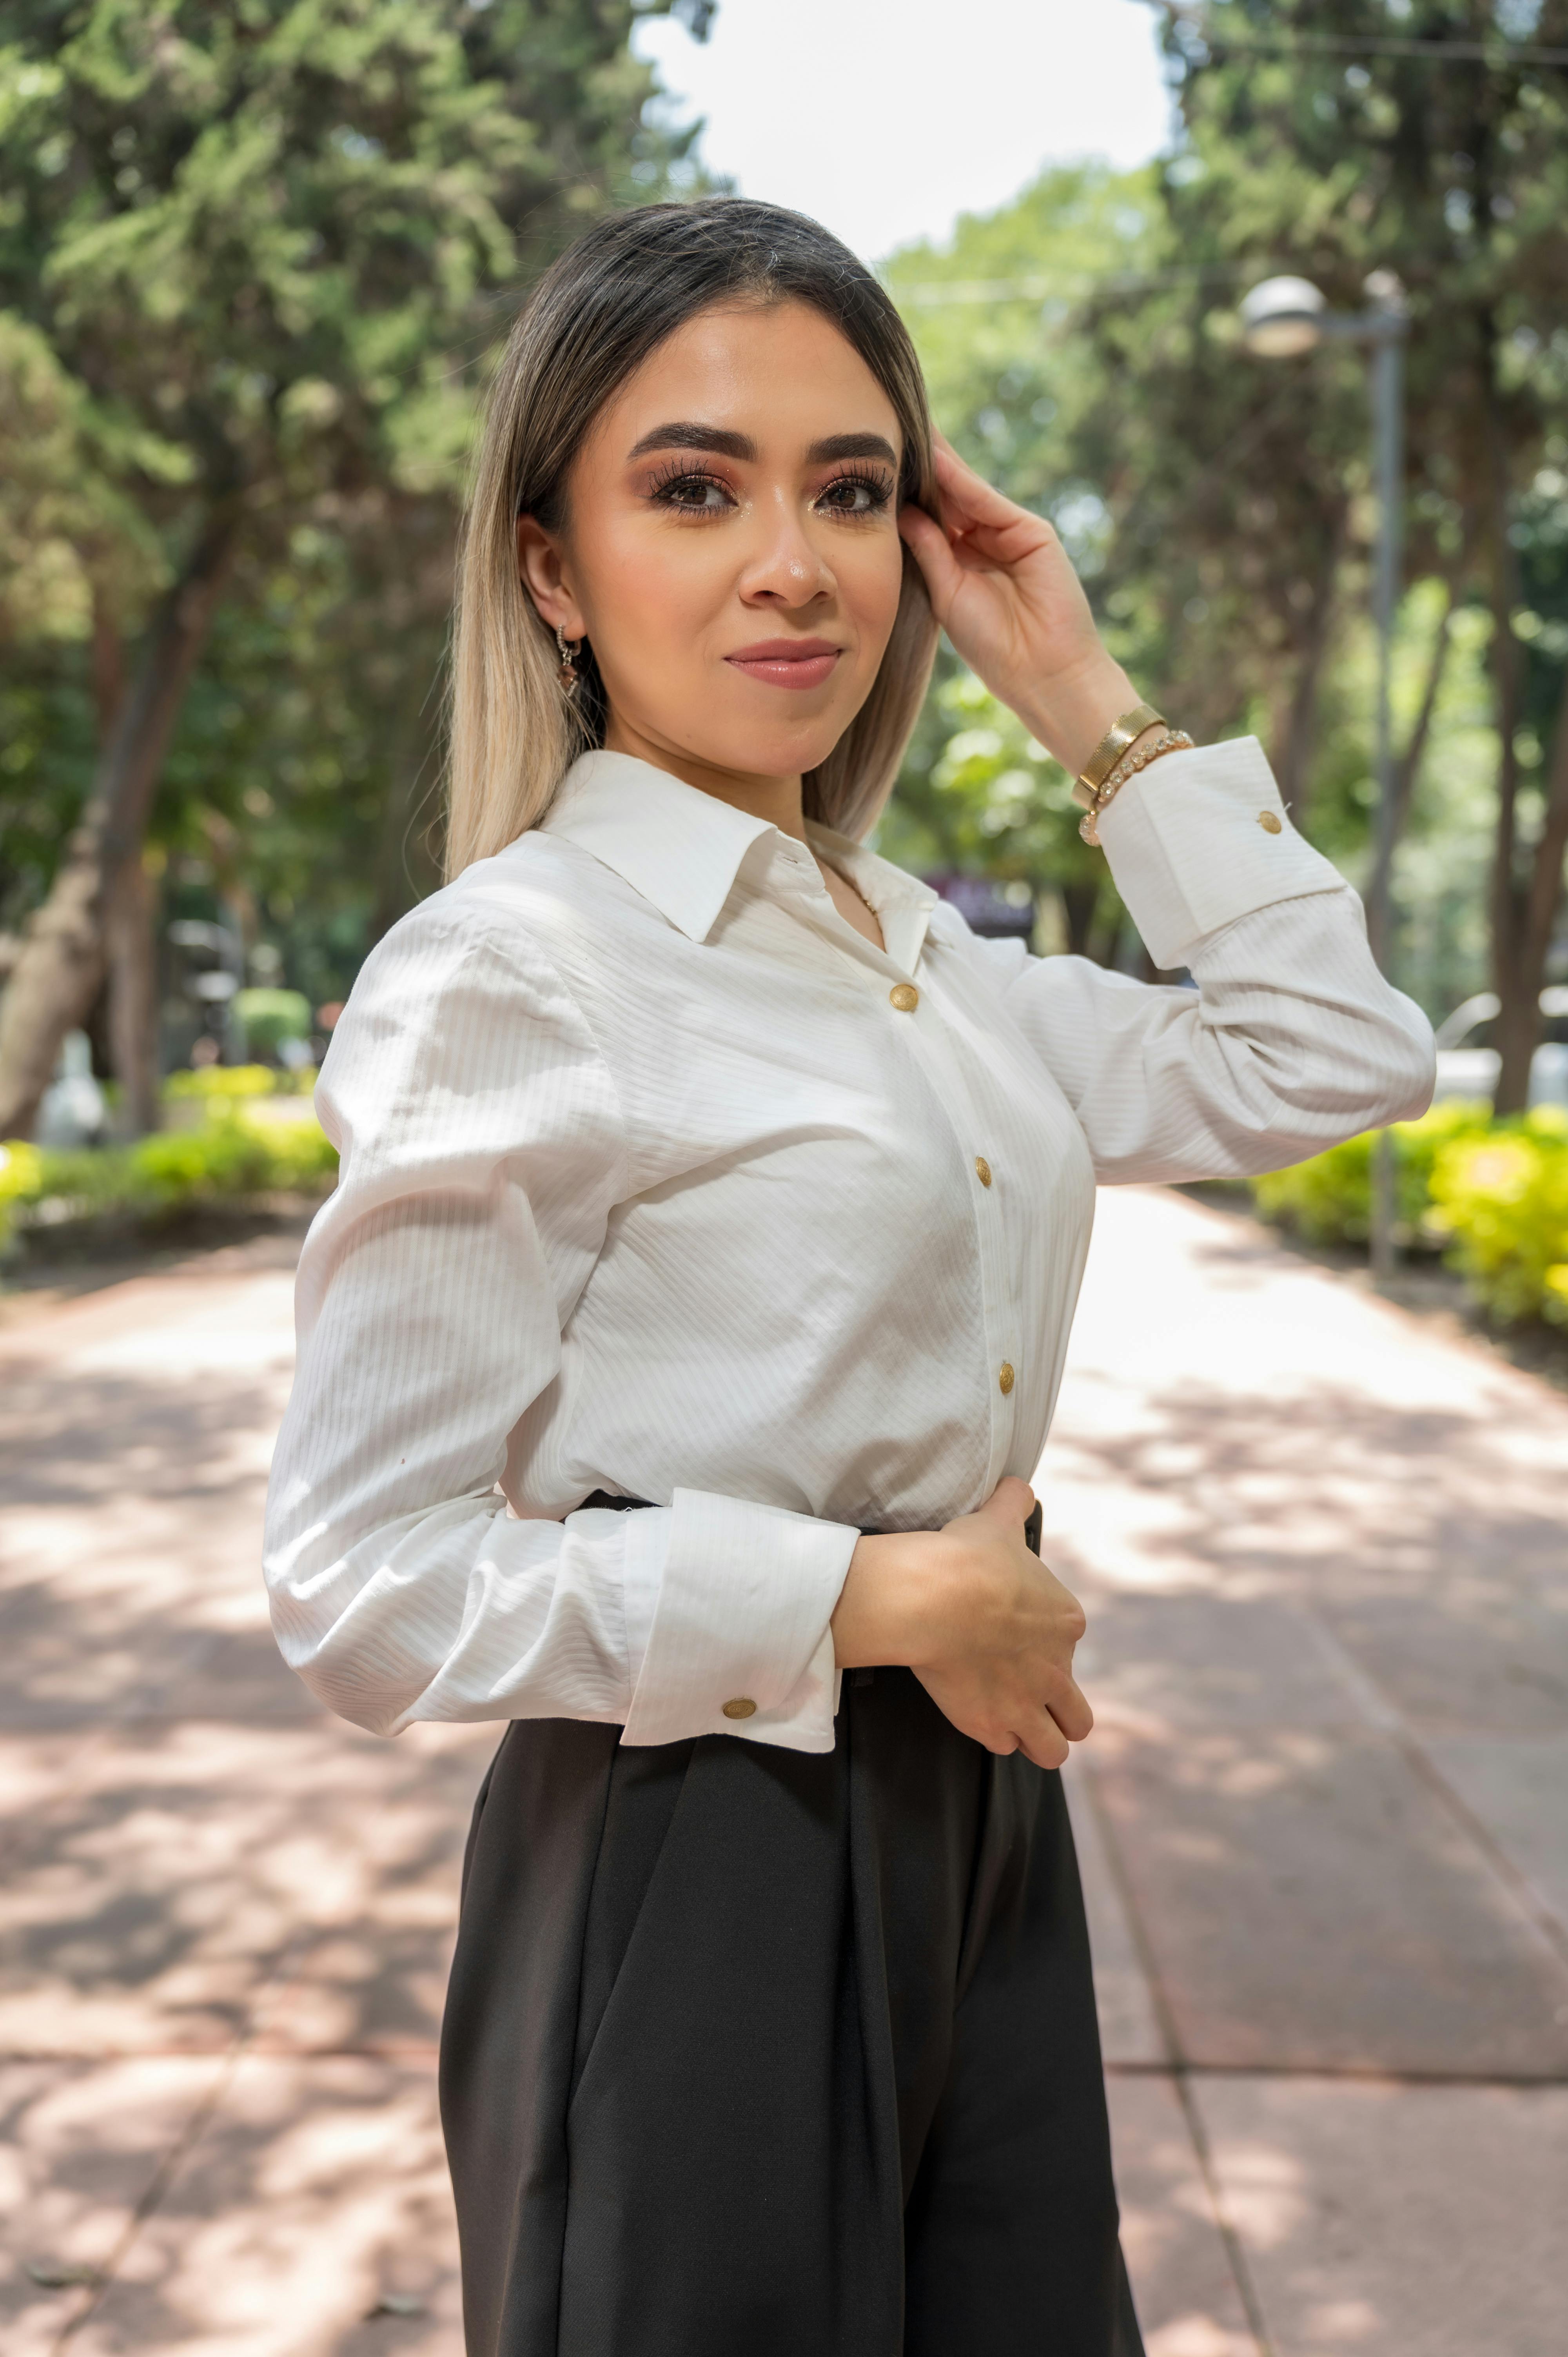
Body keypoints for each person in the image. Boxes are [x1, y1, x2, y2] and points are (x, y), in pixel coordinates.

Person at [263, 198, 1434, 2357]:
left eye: (854, 491)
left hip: (976, 1802)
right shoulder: (518, 970)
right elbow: (361, 1582)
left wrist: (1078, 687)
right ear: (552, 568)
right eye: (692, 488)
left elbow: (1336, 1051)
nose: (791, 563)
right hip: (696, 1839)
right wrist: (871, 1598)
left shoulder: (928, 961)